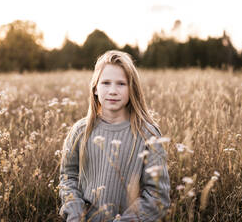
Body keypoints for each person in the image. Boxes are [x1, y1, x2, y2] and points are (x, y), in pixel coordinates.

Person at [59, 50, 170, 222]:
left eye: (121, 84)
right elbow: (68, 177)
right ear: (95, 88)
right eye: (105, 83)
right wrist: (75, 214)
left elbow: (157, 197)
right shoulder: (81, 131)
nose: (113, 91)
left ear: (131, 89)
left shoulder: (148, 135)